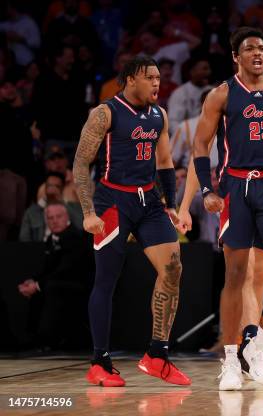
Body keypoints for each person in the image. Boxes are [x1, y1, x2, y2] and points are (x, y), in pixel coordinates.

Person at [187, 27, 263, 390]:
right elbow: (200, 142)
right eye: (249, 48)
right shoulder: (221, 95)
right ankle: (229, 359)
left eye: (262, 49)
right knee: (236, 276)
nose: (257, 53)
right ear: (236, 58)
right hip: (236, 187)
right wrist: (207, 189)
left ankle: (258, 344)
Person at [72, 56, 190, 387]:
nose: (157, 83)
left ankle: (157, 355)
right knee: (106, 279)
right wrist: (88, 212)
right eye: (150, 77)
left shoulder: (159, 115)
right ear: (130, 80)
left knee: (173, 268)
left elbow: (165, 161)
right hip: (112, 201)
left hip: (149, 200)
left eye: (158, 78)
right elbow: (81, 163)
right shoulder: (105, 113)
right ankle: (100, 361)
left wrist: (171, 204)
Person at [17, 202, 92, 349]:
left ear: (67, 217)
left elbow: (66, 270)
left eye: (58, 217)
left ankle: (47, 338)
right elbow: (49, 269)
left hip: (80, 287)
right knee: (42, 289)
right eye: (50, 218)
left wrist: (37, 285)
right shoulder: (52, 239)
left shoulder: (75, 237)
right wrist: (33, 281)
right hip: (61, 282)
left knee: (50, 287)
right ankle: (34, 337)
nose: (54, 221)